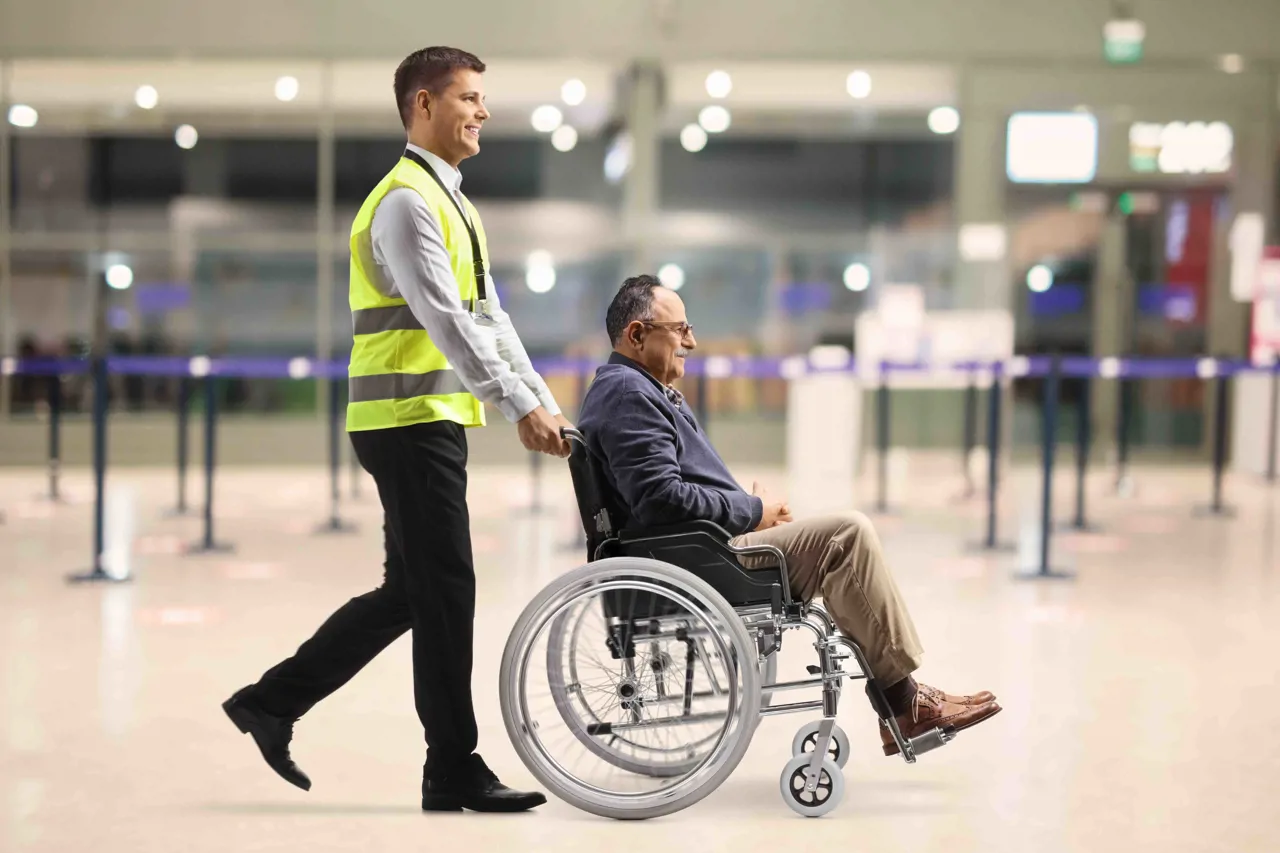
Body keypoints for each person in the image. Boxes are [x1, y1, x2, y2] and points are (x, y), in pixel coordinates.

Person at [223, 46, 568, 813]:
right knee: (446, 588)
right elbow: (445, 321)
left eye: (482, 99)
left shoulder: (452, 202)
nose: (481, 112)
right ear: (423, 105)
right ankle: (452, 764)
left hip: (423, 418)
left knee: (413, 591)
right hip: (406, 419)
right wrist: (517, 407)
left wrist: (539, 396)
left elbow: (491, 317)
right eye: (468, 98)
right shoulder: (407, 201)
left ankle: (270, 701)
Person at [576, 275, 1001, 756]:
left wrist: (741, 505)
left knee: (839, 542)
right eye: (680, 330)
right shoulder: (629, 395)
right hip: (695, 559)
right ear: (636, 334)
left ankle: (902, 701)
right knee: (846, 534)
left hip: (700, 547)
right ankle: (904, 702)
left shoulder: (633, 389)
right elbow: (658, 498)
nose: (691, 341)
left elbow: (663, 490)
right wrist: (750, 511)